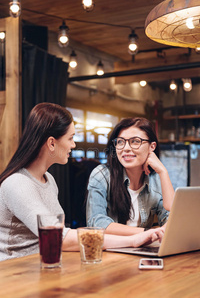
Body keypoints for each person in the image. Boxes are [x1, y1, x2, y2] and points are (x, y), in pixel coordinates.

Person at [0, 103, 164, 261]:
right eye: (71, 138)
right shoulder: (17, 184)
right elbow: (60, 238)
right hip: (16, 273)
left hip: (46, 266)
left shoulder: (48, 180)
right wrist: (134, 240)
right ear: (51, 143)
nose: (74, 144)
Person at [86, 117, 174, 236]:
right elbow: (96, 222)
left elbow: (173, 219)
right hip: (111, 252)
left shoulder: (156, 179)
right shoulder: (102, 175)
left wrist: (163, 172)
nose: (126, 148)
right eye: (121, 142)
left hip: (142, 250)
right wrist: (146, 233)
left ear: (152, 147)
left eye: (135, 141)